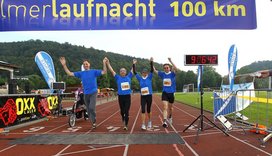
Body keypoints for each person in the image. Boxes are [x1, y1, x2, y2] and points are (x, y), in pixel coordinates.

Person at [59, 57, 107, 129]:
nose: (85, 65)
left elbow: (104, 72)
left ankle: (93, 121)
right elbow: (69, 73)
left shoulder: (94, 72)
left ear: (89, 64)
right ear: (83, 66)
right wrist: (64, 65)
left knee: (91, 108)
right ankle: (92, 120)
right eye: (84, 64)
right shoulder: (81, 73)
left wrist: (104, 63)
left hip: (93, 92)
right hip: (86, 93)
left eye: (86, 64)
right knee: (88, 109)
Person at [106, 58, 135, 130]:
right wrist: (108, 63)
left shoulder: (129, 76)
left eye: (124, 71)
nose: (122, 72)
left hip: (127, 97)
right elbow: (112, 70)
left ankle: (126, 125)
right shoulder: (117, 77)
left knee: (126, 111)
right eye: (121, 71)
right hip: (121, 97)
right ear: (120, 72)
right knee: (122, 111)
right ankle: (123, 117)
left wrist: (134, 63)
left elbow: (132, 70)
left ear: (126, 72)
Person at [153, 58, 177, 128]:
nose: (166, 69)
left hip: (171, 93)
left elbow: (176, 68)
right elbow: (155, 71)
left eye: (167, 67)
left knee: (171, 108)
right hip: (165, 93)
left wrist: (171, 61)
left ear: (169, 68)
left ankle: (170, 116)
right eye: (164, 68)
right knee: (165, 107)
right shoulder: (162, 74)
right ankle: (165, 121)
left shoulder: (172, 74)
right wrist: (152, 63)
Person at [134, 57, 154, 130]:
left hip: (149, 96)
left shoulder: (149, 77)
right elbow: (135, 72)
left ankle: (149, 121)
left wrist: (151, 62)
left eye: (145, 72)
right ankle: (143, 124)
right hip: (143, 97)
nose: (144, 73)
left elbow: (152, 70)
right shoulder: (140, 78)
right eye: (143, 72)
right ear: (142, 73)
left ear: (147, 73)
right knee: (143, 109)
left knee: (148, 110)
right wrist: (134, 64)